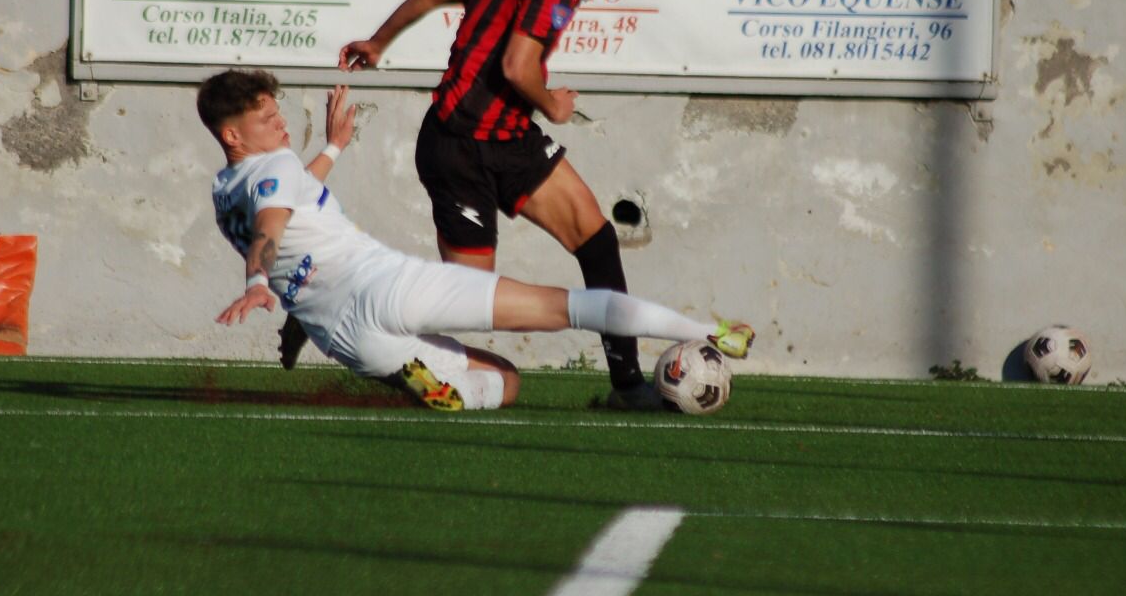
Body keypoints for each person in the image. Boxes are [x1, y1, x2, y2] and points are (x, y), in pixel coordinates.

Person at [199, 69, 754, 411]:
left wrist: (335, 147)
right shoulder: (272, 168)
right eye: (268, 118)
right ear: (232, 134)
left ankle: (451, 391)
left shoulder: (229, 193)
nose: (281, 126)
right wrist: (254, 282)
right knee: (567, 307)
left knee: (505, 383)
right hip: (391, 288)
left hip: (352, 342)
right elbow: (272, 229)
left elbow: (290, 205)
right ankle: (710, 331)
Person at [334, 0, 673, 409]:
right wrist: (552, 103)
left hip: (509, 141)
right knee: (462, 305)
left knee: (596, 238)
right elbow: (518, 68)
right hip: (458, 148)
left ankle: (628, 385)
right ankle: (362, 326)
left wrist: (379, 40)